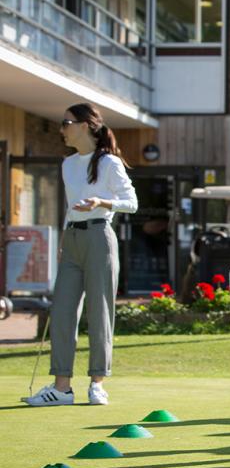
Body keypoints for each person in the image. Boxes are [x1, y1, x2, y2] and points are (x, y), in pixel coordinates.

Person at [23, 103, 138, 407]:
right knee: (61, 313)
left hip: (100, 237)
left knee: (99, 313)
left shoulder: (110, 164)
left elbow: (132, 202)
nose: (62, 129)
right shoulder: (68, 164)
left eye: (66, 123)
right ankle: (62, 389)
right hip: (72, 240)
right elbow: (70, 205)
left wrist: (102, 201)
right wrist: (64, 235)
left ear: (85, 125)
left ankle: (97, 383)